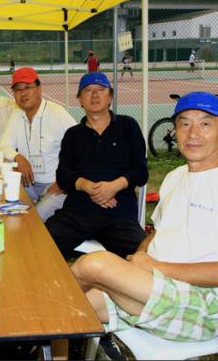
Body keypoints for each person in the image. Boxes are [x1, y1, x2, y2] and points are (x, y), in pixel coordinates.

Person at [71, 91, 218, 356]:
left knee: (94, 264)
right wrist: (140, 257)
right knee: (69, 308)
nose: (193, 133)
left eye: (205, 123)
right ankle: (48, 354)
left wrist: (155, 267)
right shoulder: (175, 177)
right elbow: (158, 232)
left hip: (204, 306)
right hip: (155, 287)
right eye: (184, 123)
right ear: (175, 131)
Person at [46, 72, 148, 259]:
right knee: (44, 243)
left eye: (101, 90)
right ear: (80, 99)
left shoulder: (128, 126)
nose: (94, 95)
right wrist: (87, 186)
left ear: (110, 97)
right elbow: (63, 175)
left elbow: (141, 171)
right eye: (88, 90)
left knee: (142, 256)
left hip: (119, 214)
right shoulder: (72, 135)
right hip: (78, 213)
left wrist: (114, 186)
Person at [0, 67, 77, 221]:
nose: (23, 93)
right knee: (2, 202)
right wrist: (18, 157)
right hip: (28, 183)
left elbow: (82, 147)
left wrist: (66, 181)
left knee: (34, 220)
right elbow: (3, 145)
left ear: (39, 88)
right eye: (18, 89)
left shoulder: (57, 113)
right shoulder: (17, 114)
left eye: (28, 87)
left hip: (55, 186)